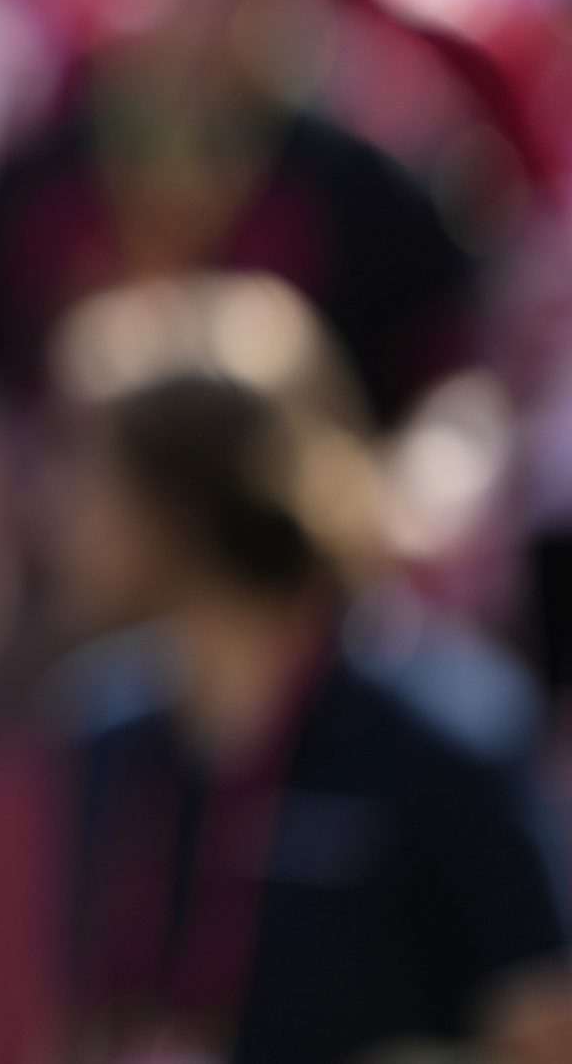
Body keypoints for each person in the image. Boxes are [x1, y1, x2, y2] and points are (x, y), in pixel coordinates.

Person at [48, 276, 572, 1064]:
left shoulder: (449, 730)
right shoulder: (105, 730)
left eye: (97, 465)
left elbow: (544, 1031)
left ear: (196, 498)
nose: (61, 502)